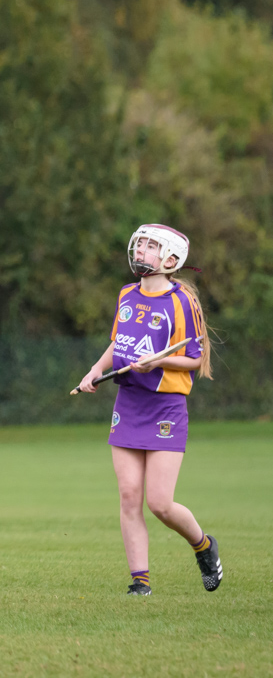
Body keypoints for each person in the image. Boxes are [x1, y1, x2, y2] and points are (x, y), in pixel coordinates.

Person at [76, 224, 221, 596]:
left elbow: (196, 359)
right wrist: (95, 370)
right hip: (128, 403)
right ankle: (140, 581)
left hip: (165, 408)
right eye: (139, 244)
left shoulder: (182, 302)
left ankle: (203, 546)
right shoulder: (126, 293)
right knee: (128, 495)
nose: (141, 251)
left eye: (150, 247)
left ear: (171, 259)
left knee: (160, 503)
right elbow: (117, 341)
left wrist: (157, 364)